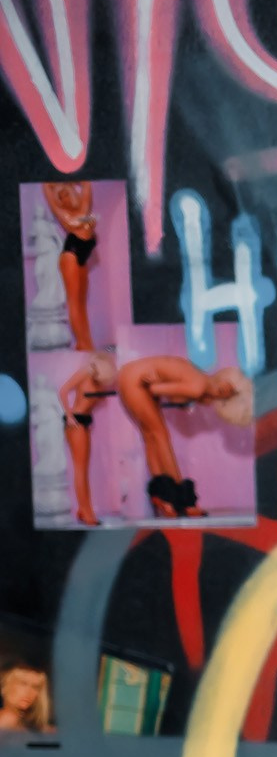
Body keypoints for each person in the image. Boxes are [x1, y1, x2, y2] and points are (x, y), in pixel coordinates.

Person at [113, 352, 254, 517]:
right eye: (225, 390)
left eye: (226, 394)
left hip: (131, 375)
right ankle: (182, 499)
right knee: (160, 435)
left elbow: (161, 386)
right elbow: (154, 389)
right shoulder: (198, 386)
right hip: (135, 380)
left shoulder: (199, 379)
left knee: (151, 436)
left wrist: (157, 378)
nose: (220, 392)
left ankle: (162, 496)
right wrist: (156, 380)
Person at [59, 352, 118, 527]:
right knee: (80, 469)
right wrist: (69, 416)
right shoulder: (85, 372)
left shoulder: (101, 380)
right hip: (76, 422)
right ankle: (86, 511)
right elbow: (63, 390)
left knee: (84, 468)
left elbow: (90, 402)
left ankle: (83, 510)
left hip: (85, 422)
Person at [42, 181, 98, 352]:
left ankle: (87, 343)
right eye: (60, 197)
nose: (63, 199)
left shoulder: (83, 205)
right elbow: (46, 186)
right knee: (74, 302)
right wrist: (88, 220)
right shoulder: (63, 213)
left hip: (82, 255)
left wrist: (69, 180)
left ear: (73, 193)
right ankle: (82, 343)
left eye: (66, 193)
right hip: (71, 254)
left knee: (81, 303)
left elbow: (86, 185)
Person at [0, 659, 53, 737]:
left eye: (35, 687)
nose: (29, 692)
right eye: (23, 684)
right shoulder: (8, 718)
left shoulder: (24, 723)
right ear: (5, 685)